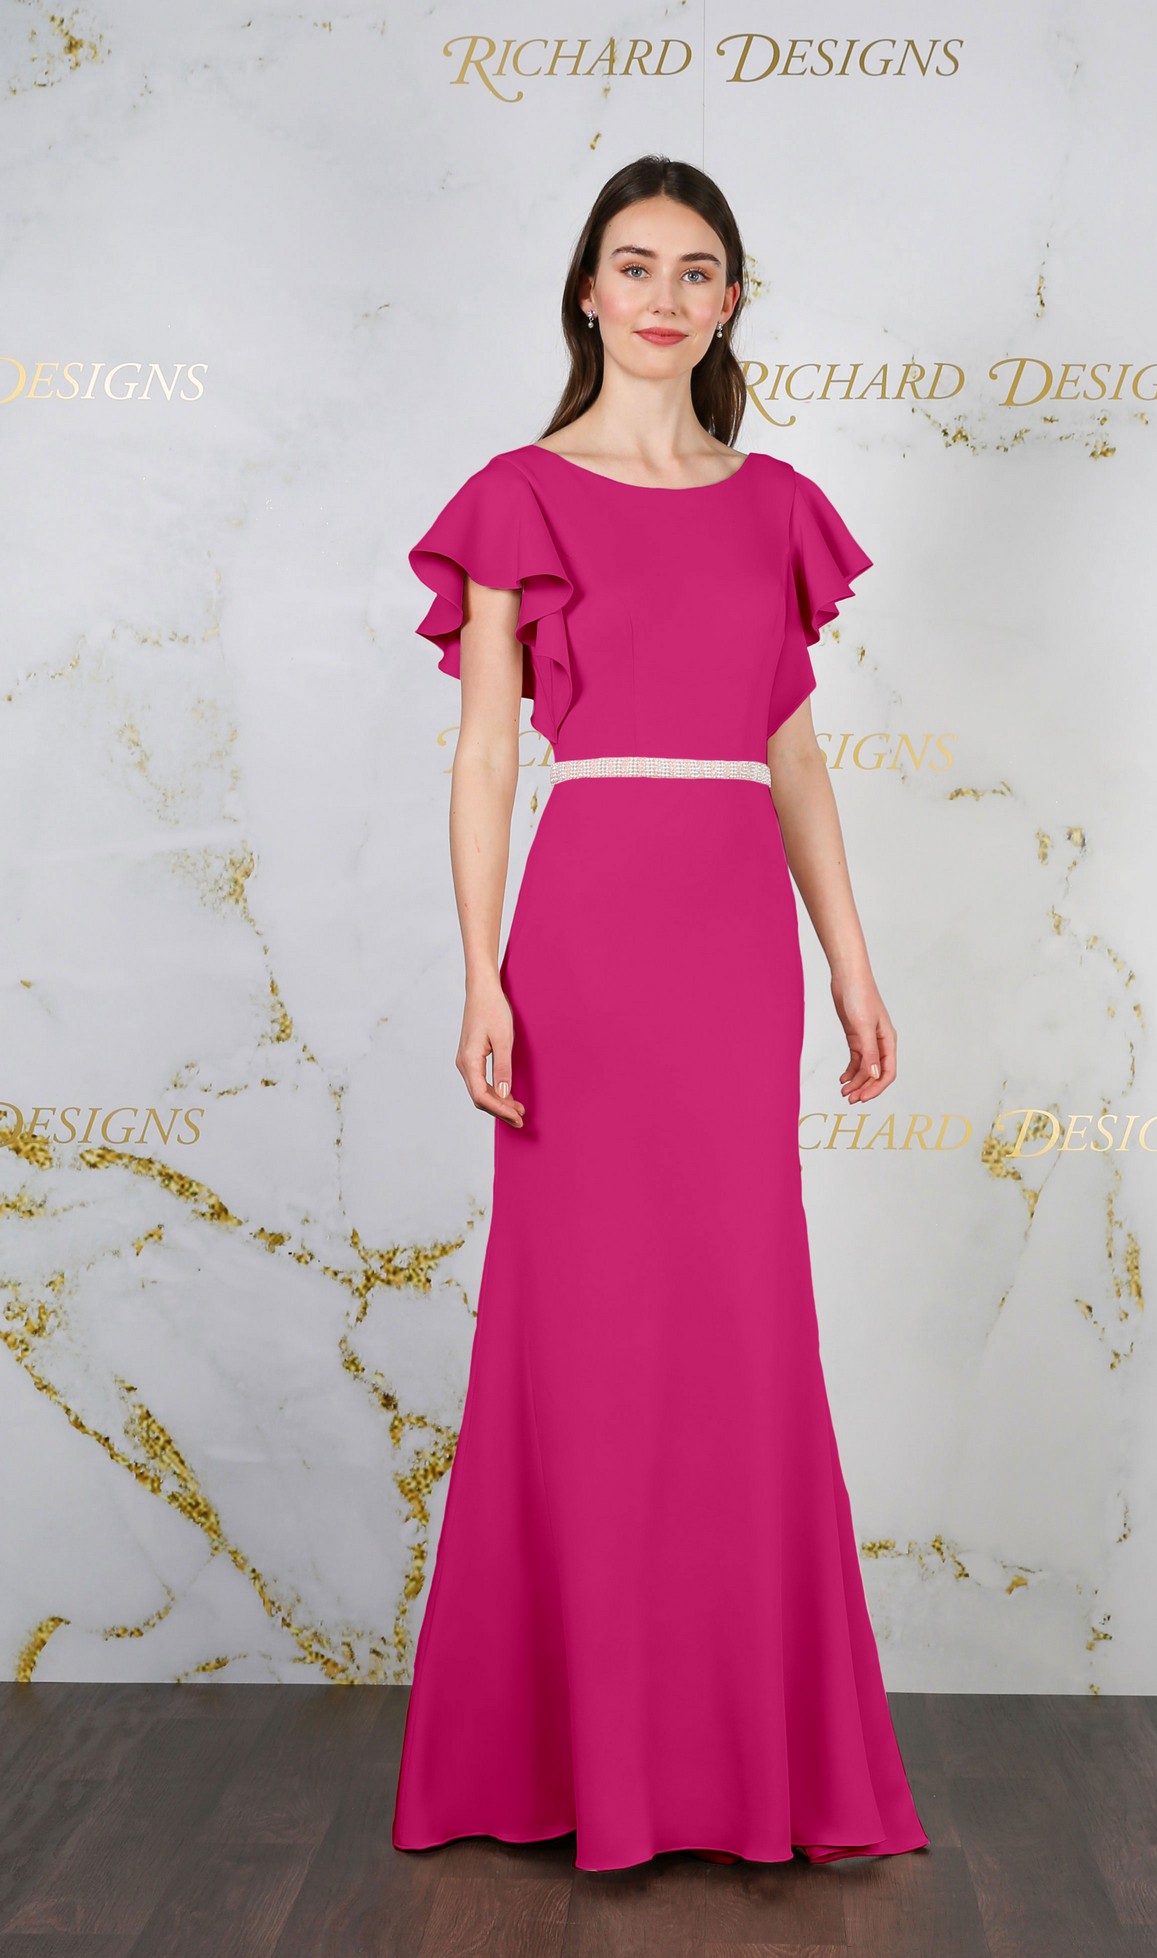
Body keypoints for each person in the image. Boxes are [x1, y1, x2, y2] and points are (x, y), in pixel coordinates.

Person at [391, 153, 930, 1873]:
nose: (663, 294)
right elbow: (487, 752)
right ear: (586, 291)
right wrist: (478, 968)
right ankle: (565, 1755)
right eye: (634, 264)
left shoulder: (775, 503)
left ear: (730, 301)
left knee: (737, 1317)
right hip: (584, 938)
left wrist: (850, 961)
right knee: (575, 1327)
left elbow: (792, 754)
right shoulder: (516, 495)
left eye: (696, 269)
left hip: (729, 948)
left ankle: (733, 1758)